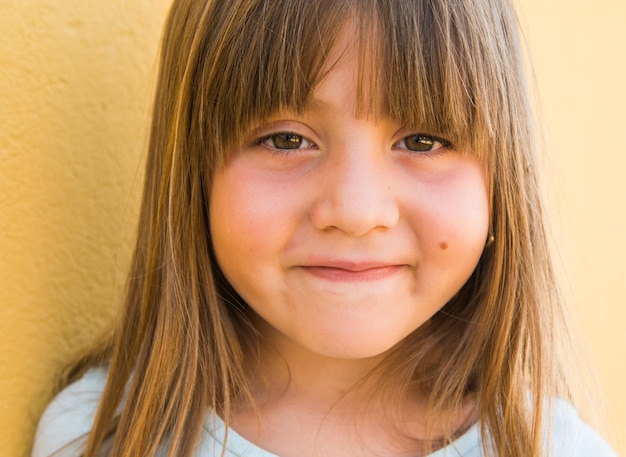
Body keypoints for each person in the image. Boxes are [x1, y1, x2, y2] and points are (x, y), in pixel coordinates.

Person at [32, 0, 618, 456]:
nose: (357, 211)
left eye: (423, 140)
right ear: (195, 174)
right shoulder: (99, 438)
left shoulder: (555, 449)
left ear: (500, 181)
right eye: (287, 139)